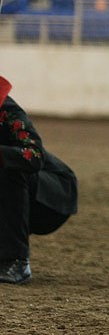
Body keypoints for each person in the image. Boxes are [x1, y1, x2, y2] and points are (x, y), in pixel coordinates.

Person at [0, 76, 79, 284]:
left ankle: (17, 261)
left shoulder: (8, 112)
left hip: (54, 197)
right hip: (19, 198)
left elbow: (34, 155)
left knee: (8, 167)